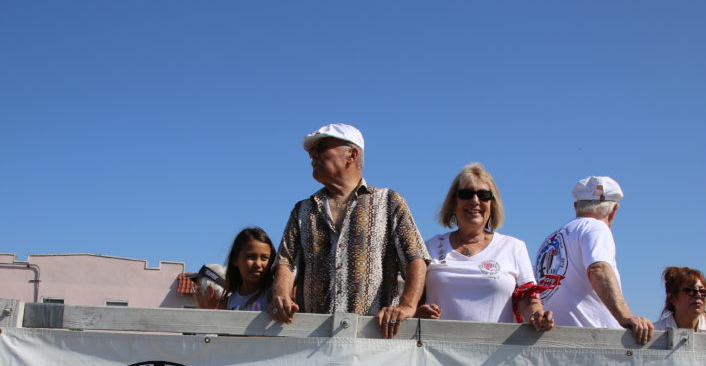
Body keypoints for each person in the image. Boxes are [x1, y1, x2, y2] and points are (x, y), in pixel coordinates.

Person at [269, 123, 429, 338]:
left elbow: (415, 258)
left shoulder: (389, 202)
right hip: (312, 341)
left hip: (371, 338)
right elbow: (286, 261)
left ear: (351, 155)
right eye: (311, 151)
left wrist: (407, 306)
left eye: (322, 148)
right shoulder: (303, 210)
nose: (312, 156)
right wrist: (281, 295)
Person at [417, 163, 553, 329]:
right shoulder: (429, 247)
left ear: (492, 204)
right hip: (437, 351)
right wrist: (420, 314)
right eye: (466, 194)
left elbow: (528, 299)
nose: (475, 201)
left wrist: (536, 314)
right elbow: (415, 301)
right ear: (453, 203)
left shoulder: (514, 247)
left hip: (496, 352)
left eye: (483, 195)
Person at [534, 176, 653, 343]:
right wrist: (625, 317)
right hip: (593, 343)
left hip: (556, 340)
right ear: (614, 210)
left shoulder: (551, 239)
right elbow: (598, 269)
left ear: (576, 206)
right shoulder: (596, 228)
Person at [653, 267, 706, 332]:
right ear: (672, 298)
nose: (698, 295)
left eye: (703, 291)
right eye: (690, 291)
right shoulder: (655, 331)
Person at [223, 227, 275, 312]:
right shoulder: (228, 302)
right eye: (251, 257)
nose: (258, 264)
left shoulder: (273, 297)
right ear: (235, 260)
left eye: (264, 258)